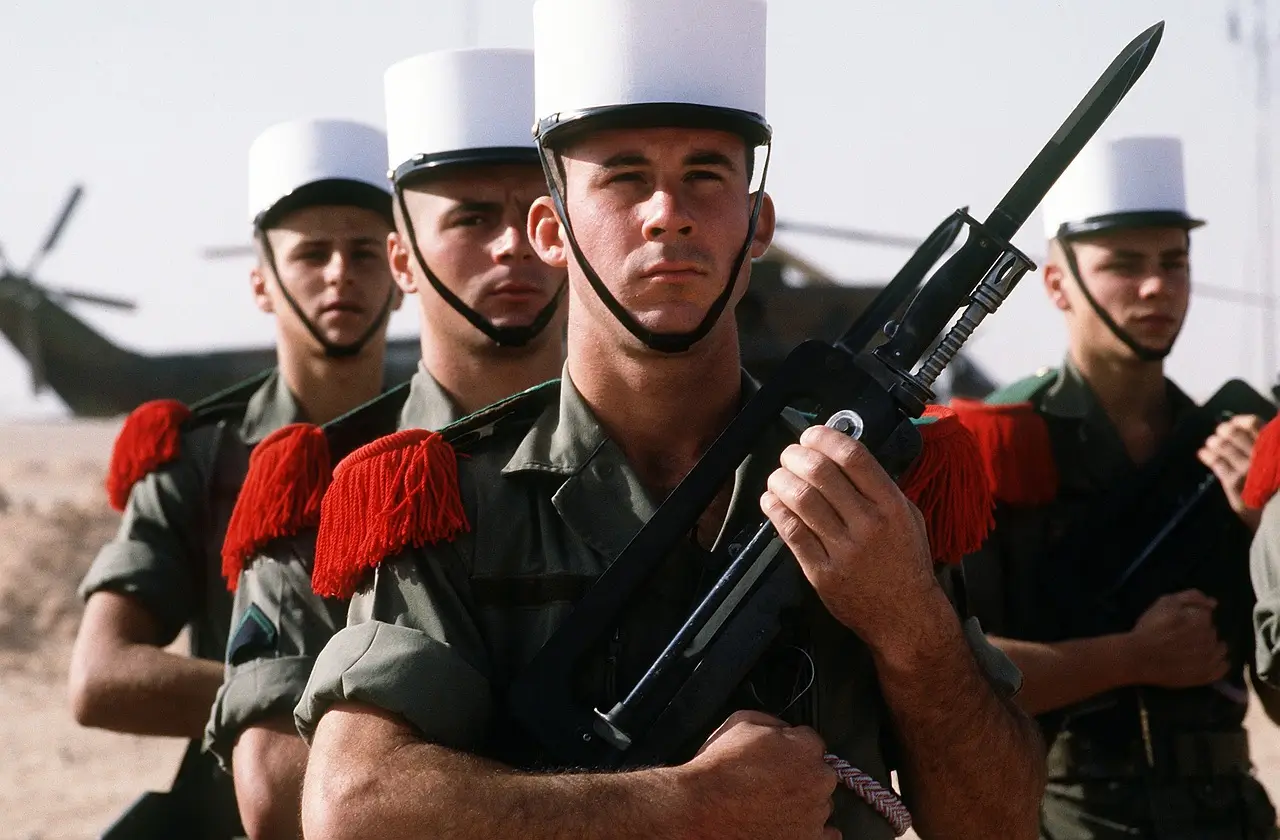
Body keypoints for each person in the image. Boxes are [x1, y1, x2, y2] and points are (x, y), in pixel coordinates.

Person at [293, 2, 1044, 839]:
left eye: (706, 176)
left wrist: (911, 626)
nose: (667, 213)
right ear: (552, 230)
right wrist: (687, 807)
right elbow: (354, 811)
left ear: (757, 225)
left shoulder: (863, 479)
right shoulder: (451, 502)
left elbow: (1000, 822)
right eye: (621, 177)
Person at [202, 48, 567, 840]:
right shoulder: (320, 484)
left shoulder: (673, 456)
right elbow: (275, 794)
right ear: (403, 259)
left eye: (537, 214)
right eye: (472, 218)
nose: (513, 246)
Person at [67, 118, 400, 837]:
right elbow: (101, 678)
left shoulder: (438, 450)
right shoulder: (198, 457)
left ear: (402, 274)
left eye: (364, 251)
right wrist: (321, 712)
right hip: (230, 804)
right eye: (312, 253)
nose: (341, 272)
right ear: (261, 284)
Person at [953, 135, 1280, 839]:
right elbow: (954, 676)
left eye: (1174, 263)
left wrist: (1268, 531)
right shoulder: (994, 442)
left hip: (1230, 813)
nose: (1157, 287)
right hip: (1070, 812)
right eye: (1124, 266)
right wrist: (1129, 656)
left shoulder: (1237, 443)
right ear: (1057, 284)